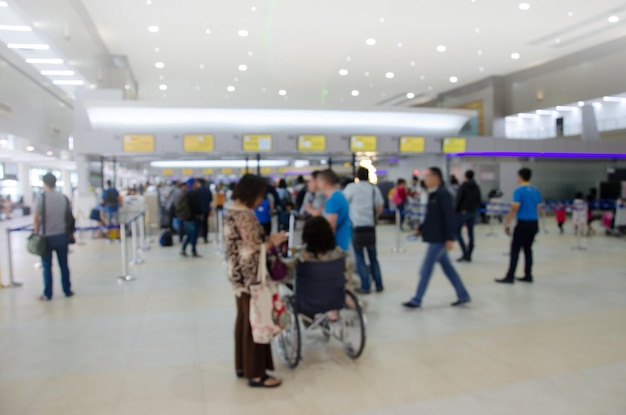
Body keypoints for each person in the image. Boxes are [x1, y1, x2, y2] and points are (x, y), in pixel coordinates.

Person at [223, 174, 287, 388]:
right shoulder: (245, 216)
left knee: (243, 319)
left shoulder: (231, 211)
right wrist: (273, 241)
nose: (261, 200)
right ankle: (257, 373)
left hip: (238, 276)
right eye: (260, 195)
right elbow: (253, 249)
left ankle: (243, 365)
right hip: (252, 277)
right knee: (255, 322)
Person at [402, 167, 471, 309]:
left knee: (425, 269)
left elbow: (449, 217)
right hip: (435, 237)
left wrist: (450, 238)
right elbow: (432, 217)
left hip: (439, 239)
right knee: (448, 269)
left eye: (428, 176)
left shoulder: (444, 195)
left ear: (436, 178)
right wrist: (420, 230)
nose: (425, 179)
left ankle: (417, 299)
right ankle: (463, 295)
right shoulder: (434, 195)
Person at [496, 168, 542, 284]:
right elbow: (539, 209)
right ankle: (528, 274)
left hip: (523, 223)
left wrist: (507, 222)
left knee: (515, 249)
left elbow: (514, 208)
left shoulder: (518, 191)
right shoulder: (535, 190)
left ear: (521, 177)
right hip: (534, 223)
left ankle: (510, 276)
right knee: (528, 249)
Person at [33, 173, 75, 301]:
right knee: (64, 265)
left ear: (44, 183)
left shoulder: (41, 197)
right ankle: (67, 290)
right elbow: (70, 217)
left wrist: (35, 232)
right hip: (62, 236)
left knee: (47, 266)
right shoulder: (63, 197)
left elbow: (36, 218)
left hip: (46, 237)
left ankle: (48, 293)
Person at [343, 167, 384, 294]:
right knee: (373, 257)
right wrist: (372, 217)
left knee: (360, 257)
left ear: (357, 176)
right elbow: (380, 207)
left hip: (356, 227)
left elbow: (343, 203)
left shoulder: (351, 188)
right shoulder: (373, 189)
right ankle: (379, 284)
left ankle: (365, 286)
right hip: (370, 227)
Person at [317, 169, 352, 252]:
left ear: (324, 182)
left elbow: (331, 226)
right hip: (343, 243)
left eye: (318, 182)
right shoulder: (339, 195)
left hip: (336, 247)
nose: (317, 185)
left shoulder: (333, 199)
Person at [455, 170, 482, 262]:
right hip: (472, 212)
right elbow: (479, 199)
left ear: (465, 176)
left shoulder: (463, 186)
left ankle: (464, 252)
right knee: (470, 233)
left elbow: (459, 199)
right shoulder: (476, 187)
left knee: (457, 232)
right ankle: (469, 253)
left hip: (463, 212)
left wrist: (456, 210)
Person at [179, 178, 202, 257]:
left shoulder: (186, 193)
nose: (197, 184)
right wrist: (200, 213)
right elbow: (196, 206)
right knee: (193, 235)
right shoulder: (194, 193)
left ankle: (184, 249)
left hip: (187, 217)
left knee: (189, 234)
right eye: (195, 183)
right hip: (193, 217)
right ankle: (193, 251)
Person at [197, 178, 213, 243]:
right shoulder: (207, 190)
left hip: (198, 210)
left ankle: (197, 237)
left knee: (198, 223)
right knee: (205, 224)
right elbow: (210, 199)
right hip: (206, 209)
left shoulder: (197, 190)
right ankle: (205, 238)